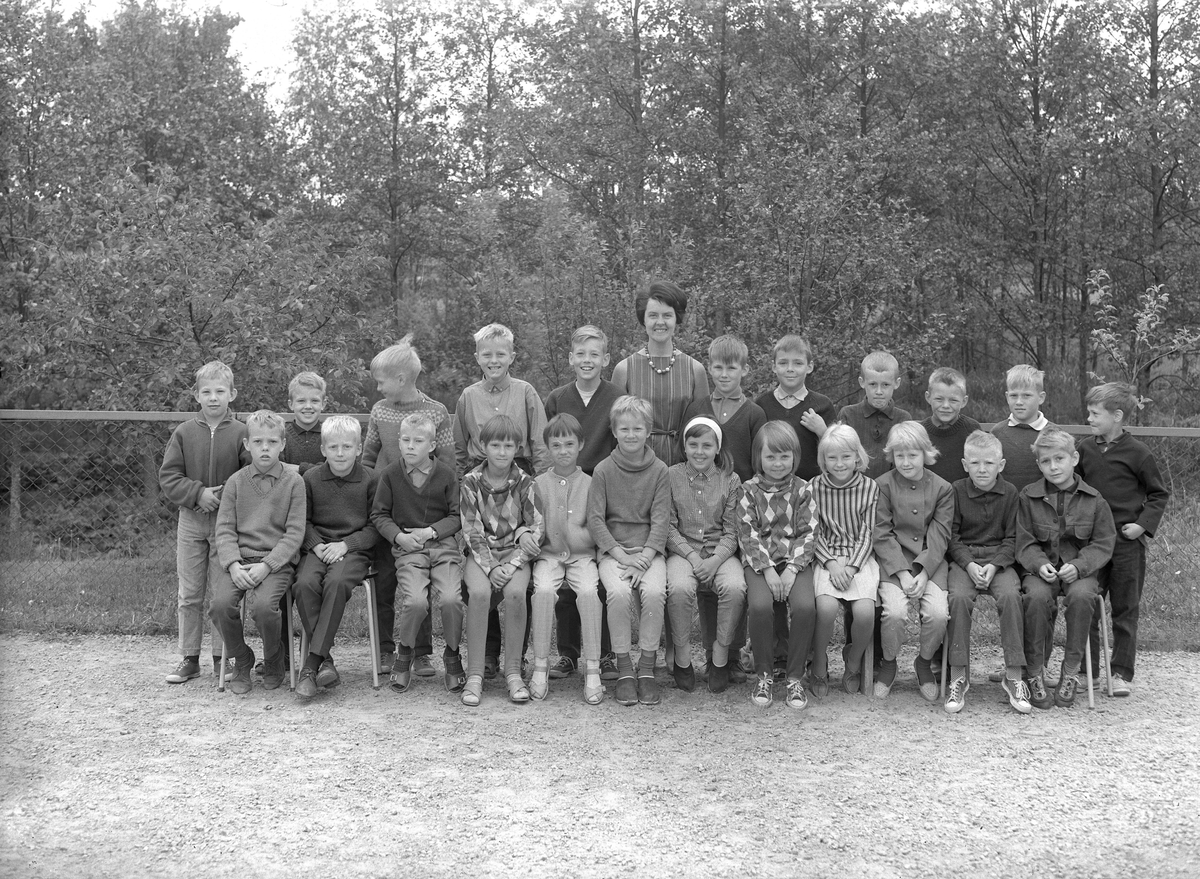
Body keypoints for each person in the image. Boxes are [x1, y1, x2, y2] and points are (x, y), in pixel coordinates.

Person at [362, 336, 453, 677]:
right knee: (385, 581)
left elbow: (448, 464)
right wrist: (370, 500)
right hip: (386, 511)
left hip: (424, 514)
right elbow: (368, 457)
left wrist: (438, 518)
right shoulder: (380, 411)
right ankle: (386, 648)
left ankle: (421, 651)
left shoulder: (436, 412)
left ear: (401, 379)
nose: (378, 387)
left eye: (380, 381)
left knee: (420, 582)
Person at [1076, 382, 1168, 697]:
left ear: (1117, 416)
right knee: (1087, 603)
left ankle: (1121, 673)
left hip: (1128, 544)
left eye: (1094, 413)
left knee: (1126, 608)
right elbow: (1074, 488)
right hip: (1093, 544)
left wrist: (1142, 526)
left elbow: (1158, 494)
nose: (1089, 418)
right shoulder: (1084, 449)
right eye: (1089, 412)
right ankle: (1088, 672)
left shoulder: (1139, 453)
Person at [159, 360, 248, 684]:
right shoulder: (184, 432)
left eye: (220, 391)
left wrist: (220, 495)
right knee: (190, 593)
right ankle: (189, 658)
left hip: (227, 526)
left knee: (221, 594)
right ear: (196, 395)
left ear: (232, 394)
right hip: (191, 522)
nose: (213, 398)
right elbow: (169, 476)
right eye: (206, 392)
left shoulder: (242, 433)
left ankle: (222, 658)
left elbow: (248, 476)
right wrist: (197, 493)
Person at [209, 410, 306, 695]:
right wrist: (233, 564)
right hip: (240, 561)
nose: (265, 448)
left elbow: (295, 532)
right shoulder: (236, 482)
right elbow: (224, 529)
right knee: (220, 605)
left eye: (272, 442)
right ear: (247, 444)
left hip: (276, 563)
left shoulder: (294, 482)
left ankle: (274, 657)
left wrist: (268, 565)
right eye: (258, 442)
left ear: (282, 444)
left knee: (264, 608)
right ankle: (242, 658)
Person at [543, 325, 619, 683]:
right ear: (571, 358)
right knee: (563, 564)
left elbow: (620, 443)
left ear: (606, 359)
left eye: (594, 354)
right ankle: (568, 653)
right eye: (581, 354)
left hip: (601, 488)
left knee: (598, 572)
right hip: (563, 487)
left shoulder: (616, 396)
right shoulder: (558, 398)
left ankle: (604, 654)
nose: (587, 360)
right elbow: (549, 442)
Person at [1018, 428, 1116, 709]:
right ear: (1039, 465)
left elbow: (1103, 542)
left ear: (1074, 458)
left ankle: (1071, 671)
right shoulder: (1028, 497)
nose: (1053, 467)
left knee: (1083, 596)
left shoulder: (1094, 499)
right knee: (1036, 597)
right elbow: (1023, 541)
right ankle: (1034, 671)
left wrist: (1080, 565)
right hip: (1041, 572)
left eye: (1059, 459)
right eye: (1046, 461)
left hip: (1080, 572)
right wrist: (1039, 564)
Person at [371, 412, 465, 695]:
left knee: (451, 599)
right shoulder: (390, 475)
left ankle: (452, 653)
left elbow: (456, 516)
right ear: (399, 443)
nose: (411, 446)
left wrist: (432, 532)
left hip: (443, 548)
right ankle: (405, 651)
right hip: (409, 550)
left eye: (418, 441)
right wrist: (399, 536)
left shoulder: (446, 475)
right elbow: (379, 514)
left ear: (432, 445)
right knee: (415, 602)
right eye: (406, 440)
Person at [587, 395, 671, 706]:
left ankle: (646, 667)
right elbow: (596, 520)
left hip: (649, 552)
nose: (631, 435)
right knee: (619, 594)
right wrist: (622, 556)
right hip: (615, 553)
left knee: (654, 593)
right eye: (624, 429)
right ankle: (624, 668)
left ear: (648, 431)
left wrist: (644, 558)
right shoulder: (603, 470)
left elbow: (661, 520)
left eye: (638, 428)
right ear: (614, 431)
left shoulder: (660, 470)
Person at [459, 415, 545, 706]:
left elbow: (537, 527)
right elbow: (471, 530)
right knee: (479, 594)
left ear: (517, 448)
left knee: (517, 593)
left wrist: (511, 564)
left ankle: (513, 673)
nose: (501, 452)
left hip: (514, 554)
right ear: (483, 446)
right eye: (495, 445)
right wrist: (492, 567)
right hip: (482, 554)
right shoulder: (470, 482)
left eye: (508, 446)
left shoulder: (525, 482)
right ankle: (474, 675)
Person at [293, 416, 379, 697]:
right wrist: (316, 544)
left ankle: (311, 665)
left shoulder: (371, 479)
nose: (340, 453)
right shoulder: (311, 478)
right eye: (333, 447)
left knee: (337, 582)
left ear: (359, 449)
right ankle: (325, 660)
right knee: (304, 584)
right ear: (323, 449)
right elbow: (301, 521)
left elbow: (377, 525)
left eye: (347, 447)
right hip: (318, 548)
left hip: (353, 551)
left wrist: (346, 545)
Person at [943, 431, 1027, 715]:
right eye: (975, 463)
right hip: (964, 560)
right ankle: (958, 675)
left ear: (1000, 465)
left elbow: (1014, 538)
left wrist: (995, 564)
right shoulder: (956, 490)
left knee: (1011, 596)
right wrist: (968, 564)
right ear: (964, 464)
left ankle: (1013, 675)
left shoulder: (1011, 493)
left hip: (998, 561)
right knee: (958, 598)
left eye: (989, 463)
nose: (982, 469)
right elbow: (951, 536)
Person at [736, 421, 818, 709]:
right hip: (760, 563)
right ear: (758, 457)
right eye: (770, 456)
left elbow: (809, 532)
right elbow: (747, 533)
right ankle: (764, 674)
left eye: (785, 456)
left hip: (795, 561)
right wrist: (769, 570)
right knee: (760, 607)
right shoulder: (748, 490)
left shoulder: (803, 489)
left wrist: (793, 569)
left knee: (805, 607)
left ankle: (795, 677)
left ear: (795, 456)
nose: (778, 463)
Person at [664, 417, 746, 694]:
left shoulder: (730, 480)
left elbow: (732, 531)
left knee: (735, 587)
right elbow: (668, 527)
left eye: (707, 446)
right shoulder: (671, 476)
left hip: (719, 552)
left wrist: (714, 560)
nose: (700, 451)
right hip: (683, 551)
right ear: (684, 447)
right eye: (693, 444)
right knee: (679, 587)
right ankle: (682, 657)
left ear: (717, 448)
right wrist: (693, 557)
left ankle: (720, 656)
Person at [873, 421, 952, 701]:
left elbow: (940, 535)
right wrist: (903, 573)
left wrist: (925, 572)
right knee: (894, 612)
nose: (906, 462)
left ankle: (924, 662)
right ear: (891, 456)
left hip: (931, 562)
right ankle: (889, 663)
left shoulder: (942, 488)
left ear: (925, 454)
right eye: (900, 455)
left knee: (938, 614)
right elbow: (881, 533)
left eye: (913, 455)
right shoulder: (882, 485)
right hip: (894, 562)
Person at [529, 414, 605, 704]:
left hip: (582, 555)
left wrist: (586, 540)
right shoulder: (538, 484)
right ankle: (540, 664)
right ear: (548, 447)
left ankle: (593, 667)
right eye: (556, 445)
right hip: (548, 554)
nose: (563, 451)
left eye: (569, 444)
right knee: (543, 591)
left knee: (588, 592)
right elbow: (532, 522)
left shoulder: (591, 483)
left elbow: (597, 523)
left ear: (581, 445)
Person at [809, 424, 879, 697]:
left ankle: (853, 661)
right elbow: (812, 532)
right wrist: (832, 564)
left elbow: (868, 533)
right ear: (823, 459)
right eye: (832, 458)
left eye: (846, 457)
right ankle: (818, 661)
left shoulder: (869, 487)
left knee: (865, 612)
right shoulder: (814, 487)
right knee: (825, 609)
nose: (839, 464)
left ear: (857, 456)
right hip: (826, 557)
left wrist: (850, 567)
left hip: (859, 558)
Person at [610, 280, 709, 466]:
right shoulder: (624, 370)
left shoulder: (695, 370)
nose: (660, 322)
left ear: (677, 319)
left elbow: (704, 428)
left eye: (667, 315)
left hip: (684, 465)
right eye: (653, 315)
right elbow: (615, 429)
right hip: (635, 465)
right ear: (643, 319)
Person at [754, 334, 836, 482]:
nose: (790, 369)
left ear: (809, 367)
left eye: (798, 363)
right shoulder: (761, 405)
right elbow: (755, 451)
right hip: (770, 487)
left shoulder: (823, 405)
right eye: (783, 363)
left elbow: (837, 451)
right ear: (774, 366)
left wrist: (822, 431)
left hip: (813, 487)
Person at [683, 335, 765, 482]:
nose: (724, 375)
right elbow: (683, 455)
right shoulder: (696, 410)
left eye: (731, 368)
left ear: (744, 369)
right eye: (718, 367)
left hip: (742, 492)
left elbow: (761, 462)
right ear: (709, 368)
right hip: (699, 490)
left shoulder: (755, 414)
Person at [837, 351, 912, 480]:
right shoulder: (848, 415)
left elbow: (907, 460)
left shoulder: (903, 419)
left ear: (897, 383)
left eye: (885, 385)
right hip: (854, 487)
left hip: (891, 488)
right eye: (872, 384)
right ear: (862, 382)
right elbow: (840, 457)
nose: (879, 391)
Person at [990, 364, 1055, 491]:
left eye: (1026, 395)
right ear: (1007, 397)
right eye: (1014, 396)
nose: (1019, 402)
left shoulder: (1055, 433)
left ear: (1041, 398)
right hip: (1006, 501)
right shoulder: (997, 433)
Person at [919, 367, 981, 486]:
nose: (946, 406)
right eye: (939, 399)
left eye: (953, 400)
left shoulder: (972, 429)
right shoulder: (919, 432)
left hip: (963, 495)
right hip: (927, 495)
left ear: (964, 401)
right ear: (928, 397)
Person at [281, 371, 327, 474]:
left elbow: (332, 469)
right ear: (291, 404)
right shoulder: (281, 436)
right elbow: (277, 468)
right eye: (301, 401)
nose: (308, 406)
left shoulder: (330, 436)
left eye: (314, 401)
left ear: (323, 404)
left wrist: (300, 468)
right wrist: (317, 469)